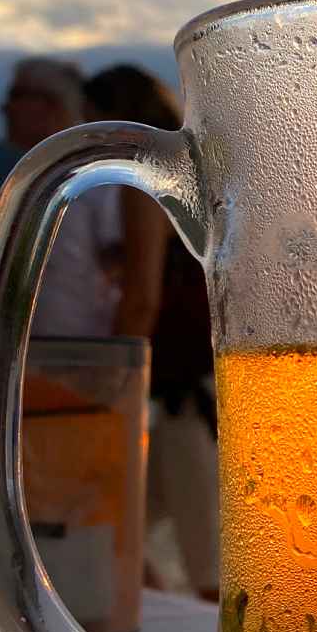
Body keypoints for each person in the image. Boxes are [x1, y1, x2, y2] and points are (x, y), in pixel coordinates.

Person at [85, 64, 219, 602]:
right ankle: (143, 620)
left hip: (183, 393)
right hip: (185, 389)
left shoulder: (146, 184)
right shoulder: (188, 178)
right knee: (121, 527)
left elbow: (143, 299)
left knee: (203, 558)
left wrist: (110, 389)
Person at [3, 57, 123, 337]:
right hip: (25, 355)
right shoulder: (21, 179)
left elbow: (130, 281)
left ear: (53, 104)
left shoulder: (99, 177)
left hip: (79, 354)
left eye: (16, 96)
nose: (5, 107)